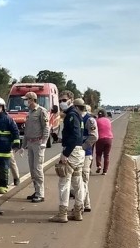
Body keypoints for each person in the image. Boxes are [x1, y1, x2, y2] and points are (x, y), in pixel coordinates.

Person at [48, 91, 85, 223]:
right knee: (77, 182)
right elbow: (75, 136)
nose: (62, 102)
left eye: (64, 100)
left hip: (72, 152)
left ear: (71, 100)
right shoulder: (77, 115)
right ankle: (78, 212)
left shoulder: (71, 115)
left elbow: (75, 136)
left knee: (64, 182)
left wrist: (65, 154)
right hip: (79, 151)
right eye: (60, 100)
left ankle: (62, 213)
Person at [21, 91, 50, 203]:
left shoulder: (41, 111)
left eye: (26, 99)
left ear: (32, 100)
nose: (25, 101)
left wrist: (44, 142)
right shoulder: (29, 113)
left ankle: (40, 193)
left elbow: (46, 128)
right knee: (32, 169)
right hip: (30, 143)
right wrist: (23, 145)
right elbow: (27, 131)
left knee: (37, 169)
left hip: (38, 143)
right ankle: (36, 190)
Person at [74, 101, 98, 214]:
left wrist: (82, 147)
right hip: (78, 154)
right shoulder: (77, 119)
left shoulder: (89, 120)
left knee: (83, 179)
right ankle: (86, 203)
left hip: (85, 153)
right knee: (81, 180)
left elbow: (94, 137)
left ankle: (81, 206)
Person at [95, 108, 114, 175]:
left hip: (100, 139)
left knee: (98, 154)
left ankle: (99, 165)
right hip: (109, 139)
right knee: (106, 156)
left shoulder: (97, 121)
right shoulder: (108, 120)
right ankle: (105, 171)